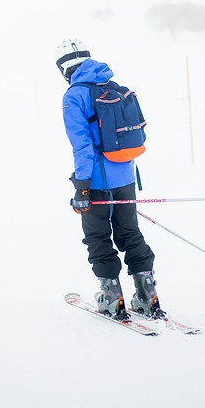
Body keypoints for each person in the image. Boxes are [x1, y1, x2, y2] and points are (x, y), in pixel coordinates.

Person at [55, 38, 164, 320]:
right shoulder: (113, 87)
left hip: (96, 182)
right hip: (126, 175)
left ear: (64, 68)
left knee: (98, 237)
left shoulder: (74, 96)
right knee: (130, 233)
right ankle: (146, 295)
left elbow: (82, 146)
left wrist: (82, 187)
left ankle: (111, 297)